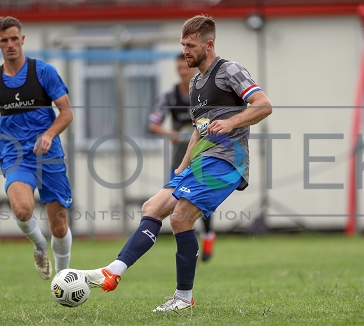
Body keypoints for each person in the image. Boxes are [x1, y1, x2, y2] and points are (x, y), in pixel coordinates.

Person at [80, 14, 272, 311]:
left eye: (191, 45)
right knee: (152, 207)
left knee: (180, 217)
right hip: (200, 162)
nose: (185, 51)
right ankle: (113, 270)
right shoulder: (195, 83)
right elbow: (199, 130)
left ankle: (183, 298)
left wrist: (231, 122)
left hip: (228, 160)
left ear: (209, 44)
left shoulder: (229, 70)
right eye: (183, 44)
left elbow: (263, 105)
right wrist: (182, 166)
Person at [0, 16, 74, 280]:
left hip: (49, 155)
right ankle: (40, 246)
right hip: (15, 155)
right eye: (4, 40)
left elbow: (66, 113)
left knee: (59, 226)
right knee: (22, 209)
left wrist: (48, 134)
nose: (10, 44)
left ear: (22, 40)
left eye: (14, 39)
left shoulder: (43, 72)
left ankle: (63, 276)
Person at [148, 52, 216, 262]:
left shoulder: (206, 92)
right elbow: (153, 124)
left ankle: (207, 236)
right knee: (179, 203)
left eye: (186, 67)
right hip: (180, 159)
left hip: (204, 155)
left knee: (201, 202)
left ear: (194, 68)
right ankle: (190, 245)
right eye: (179, 68)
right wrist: (172, 135)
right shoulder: (170, 95)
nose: (183, 71)